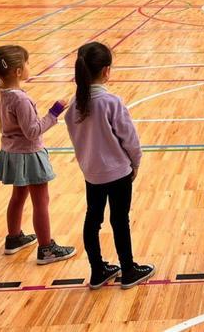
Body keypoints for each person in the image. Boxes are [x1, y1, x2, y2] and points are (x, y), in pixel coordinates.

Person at [65, 42, 156, 290]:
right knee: (119, 220)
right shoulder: (110, 101)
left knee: (92, 220)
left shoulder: (74, 105)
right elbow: (130, 139)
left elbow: (77, 139)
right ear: (106, 70)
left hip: (91, 174)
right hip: (117, 173)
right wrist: (135, 163)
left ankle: (97, 271)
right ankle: (128, 270)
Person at [0, 45, 76, 265]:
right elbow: (32, 132)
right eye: (27, 63)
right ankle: (46, 248)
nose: (30, 66)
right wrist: (55, 112)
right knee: (41, 201)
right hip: (29, 155)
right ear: (18, 72)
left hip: (11, 153)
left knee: (18, 196)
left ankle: (14, 238)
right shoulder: (20, 99)